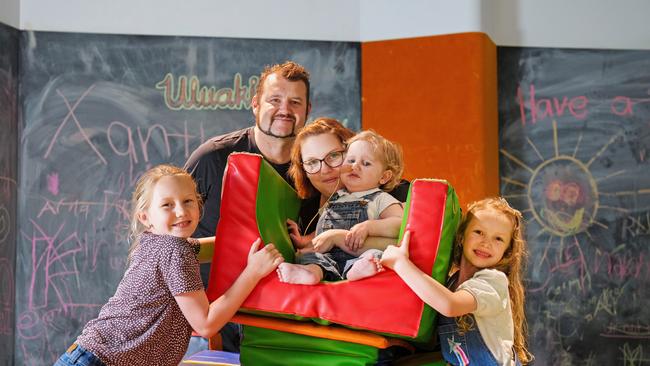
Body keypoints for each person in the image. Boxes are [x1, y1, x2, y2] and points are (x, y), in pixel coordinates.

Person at [54, 165, 283, 366]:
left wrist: (254, 239)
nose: (181, 211)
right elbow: (205, 324)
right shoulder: (175, 250)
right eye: (167, 205)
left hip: (89, 355)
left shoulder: (156, 242)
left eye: (188, 201)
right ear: (145, 217)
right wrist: (253, 272)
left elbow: (210, 248)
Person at [184, 61, 310, 351]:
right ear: (255, 104)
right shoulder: (214, 157)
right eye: (274, 100)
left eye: (295, 102)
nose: (284, 109)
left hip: (279, 323)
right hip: (207, 321)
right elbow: (168, 237)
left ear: (307, 109)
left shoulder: (314, 168)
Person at [381, 197, 533, 365]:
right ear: (462, 236)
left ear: (507, 251)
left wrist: (400, 263)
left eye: (498, 239)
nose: (486, 243)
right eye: (479, 232)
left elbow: (450, 305)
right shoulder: (451, 284)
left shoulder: (493, 282)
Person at [277, 130, 405, 284]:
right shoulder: (336, 198)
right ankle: (310, 273)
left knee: (373, 255)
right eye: (350, 160)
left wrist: (370, 227)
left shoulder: (380, 198)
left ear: (384, 177)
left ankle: (359, 270)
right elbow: (322, 232)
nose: (354, 166)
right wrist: (304, 241)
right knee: (312, 258)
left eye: (366, 163)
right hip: (328, 258)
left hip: (358, 255)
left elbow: (399, 224)